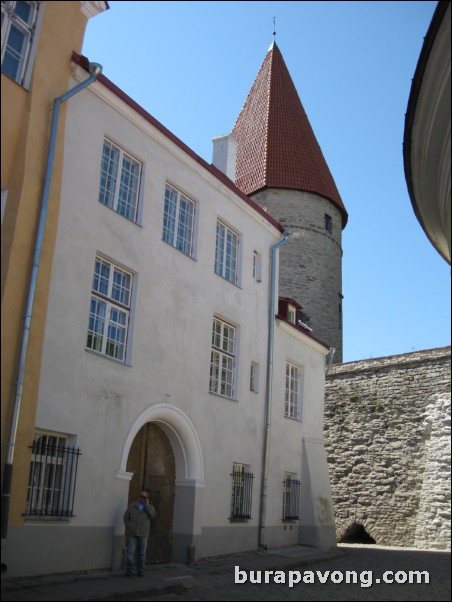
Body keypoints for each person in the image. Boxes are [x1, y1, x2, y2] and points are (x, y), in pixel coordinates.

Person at [124, 489, 156, 576]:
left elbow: (152, 516)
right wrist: (129, 526)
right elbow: (126, 517)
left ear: (147, 498)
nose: (142, 498)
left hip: (143, 533)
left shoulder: (150, 507)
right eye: (141, 496)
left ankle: (140, 571)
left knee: (142, 553)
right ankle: (129, 571)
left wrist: (147, 506)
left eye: (144, 497)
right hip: (132, 533)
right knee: (130, 553)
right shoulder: (132, 505)